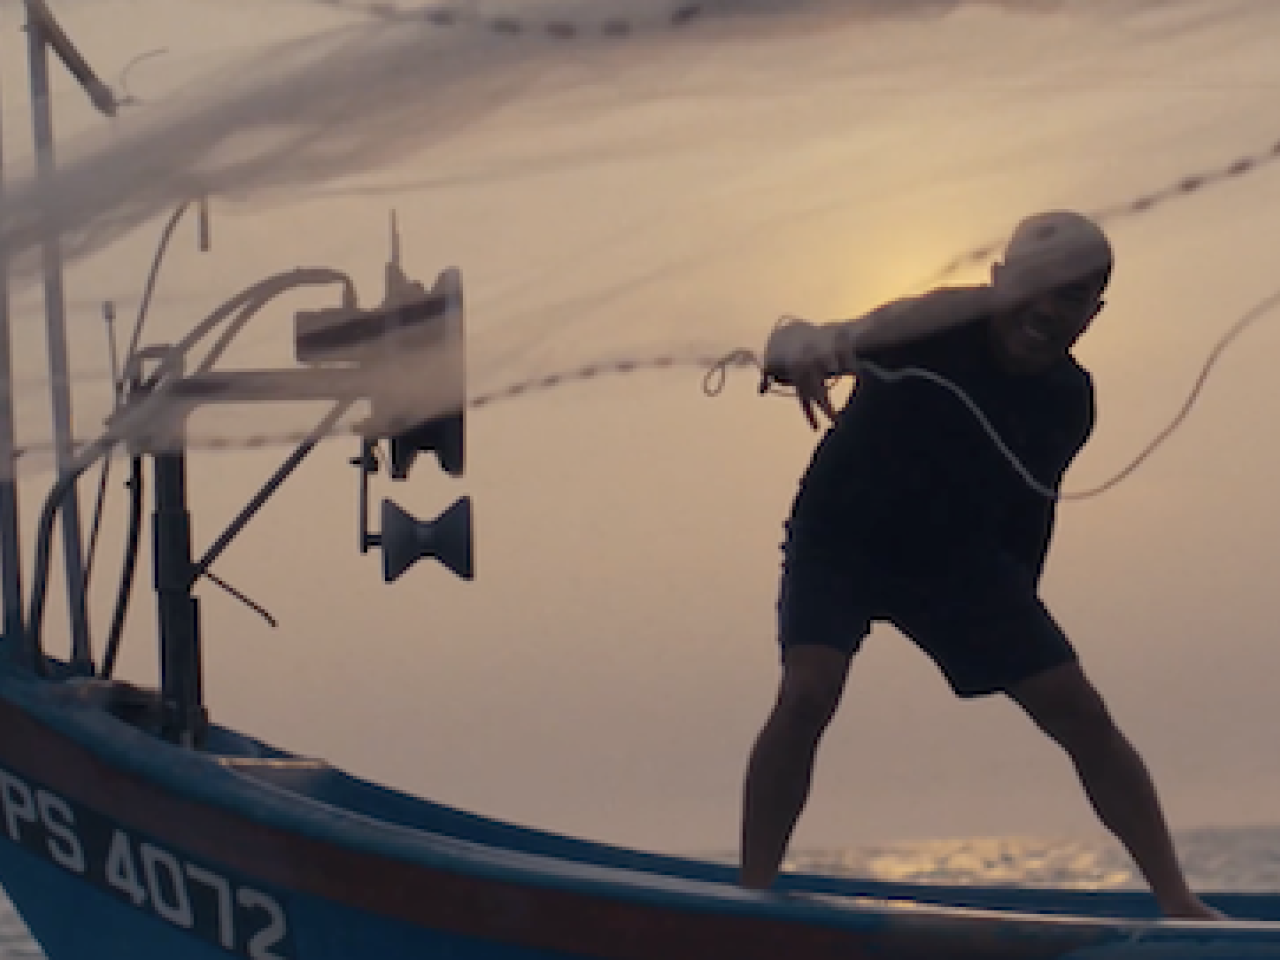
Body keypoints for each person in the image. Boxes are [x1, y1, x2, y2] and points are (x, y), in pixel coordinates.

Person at [739, 210, 1222, 920]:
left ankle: (1178, 901)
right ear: (1000, 281)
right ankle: (750, 894)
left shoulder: (1069, 401)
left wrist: (1015, 629)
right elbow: (806, 338)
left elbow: (1028, 517)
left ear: (1095, 311)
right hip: (842, 536)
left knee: (1080, 711)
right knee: (809, 692)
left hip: (955, 561)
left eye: (1074, 296)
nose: (1049, 309)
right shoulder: (933, 323)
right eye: (1037, 286)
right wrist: (798, 350)